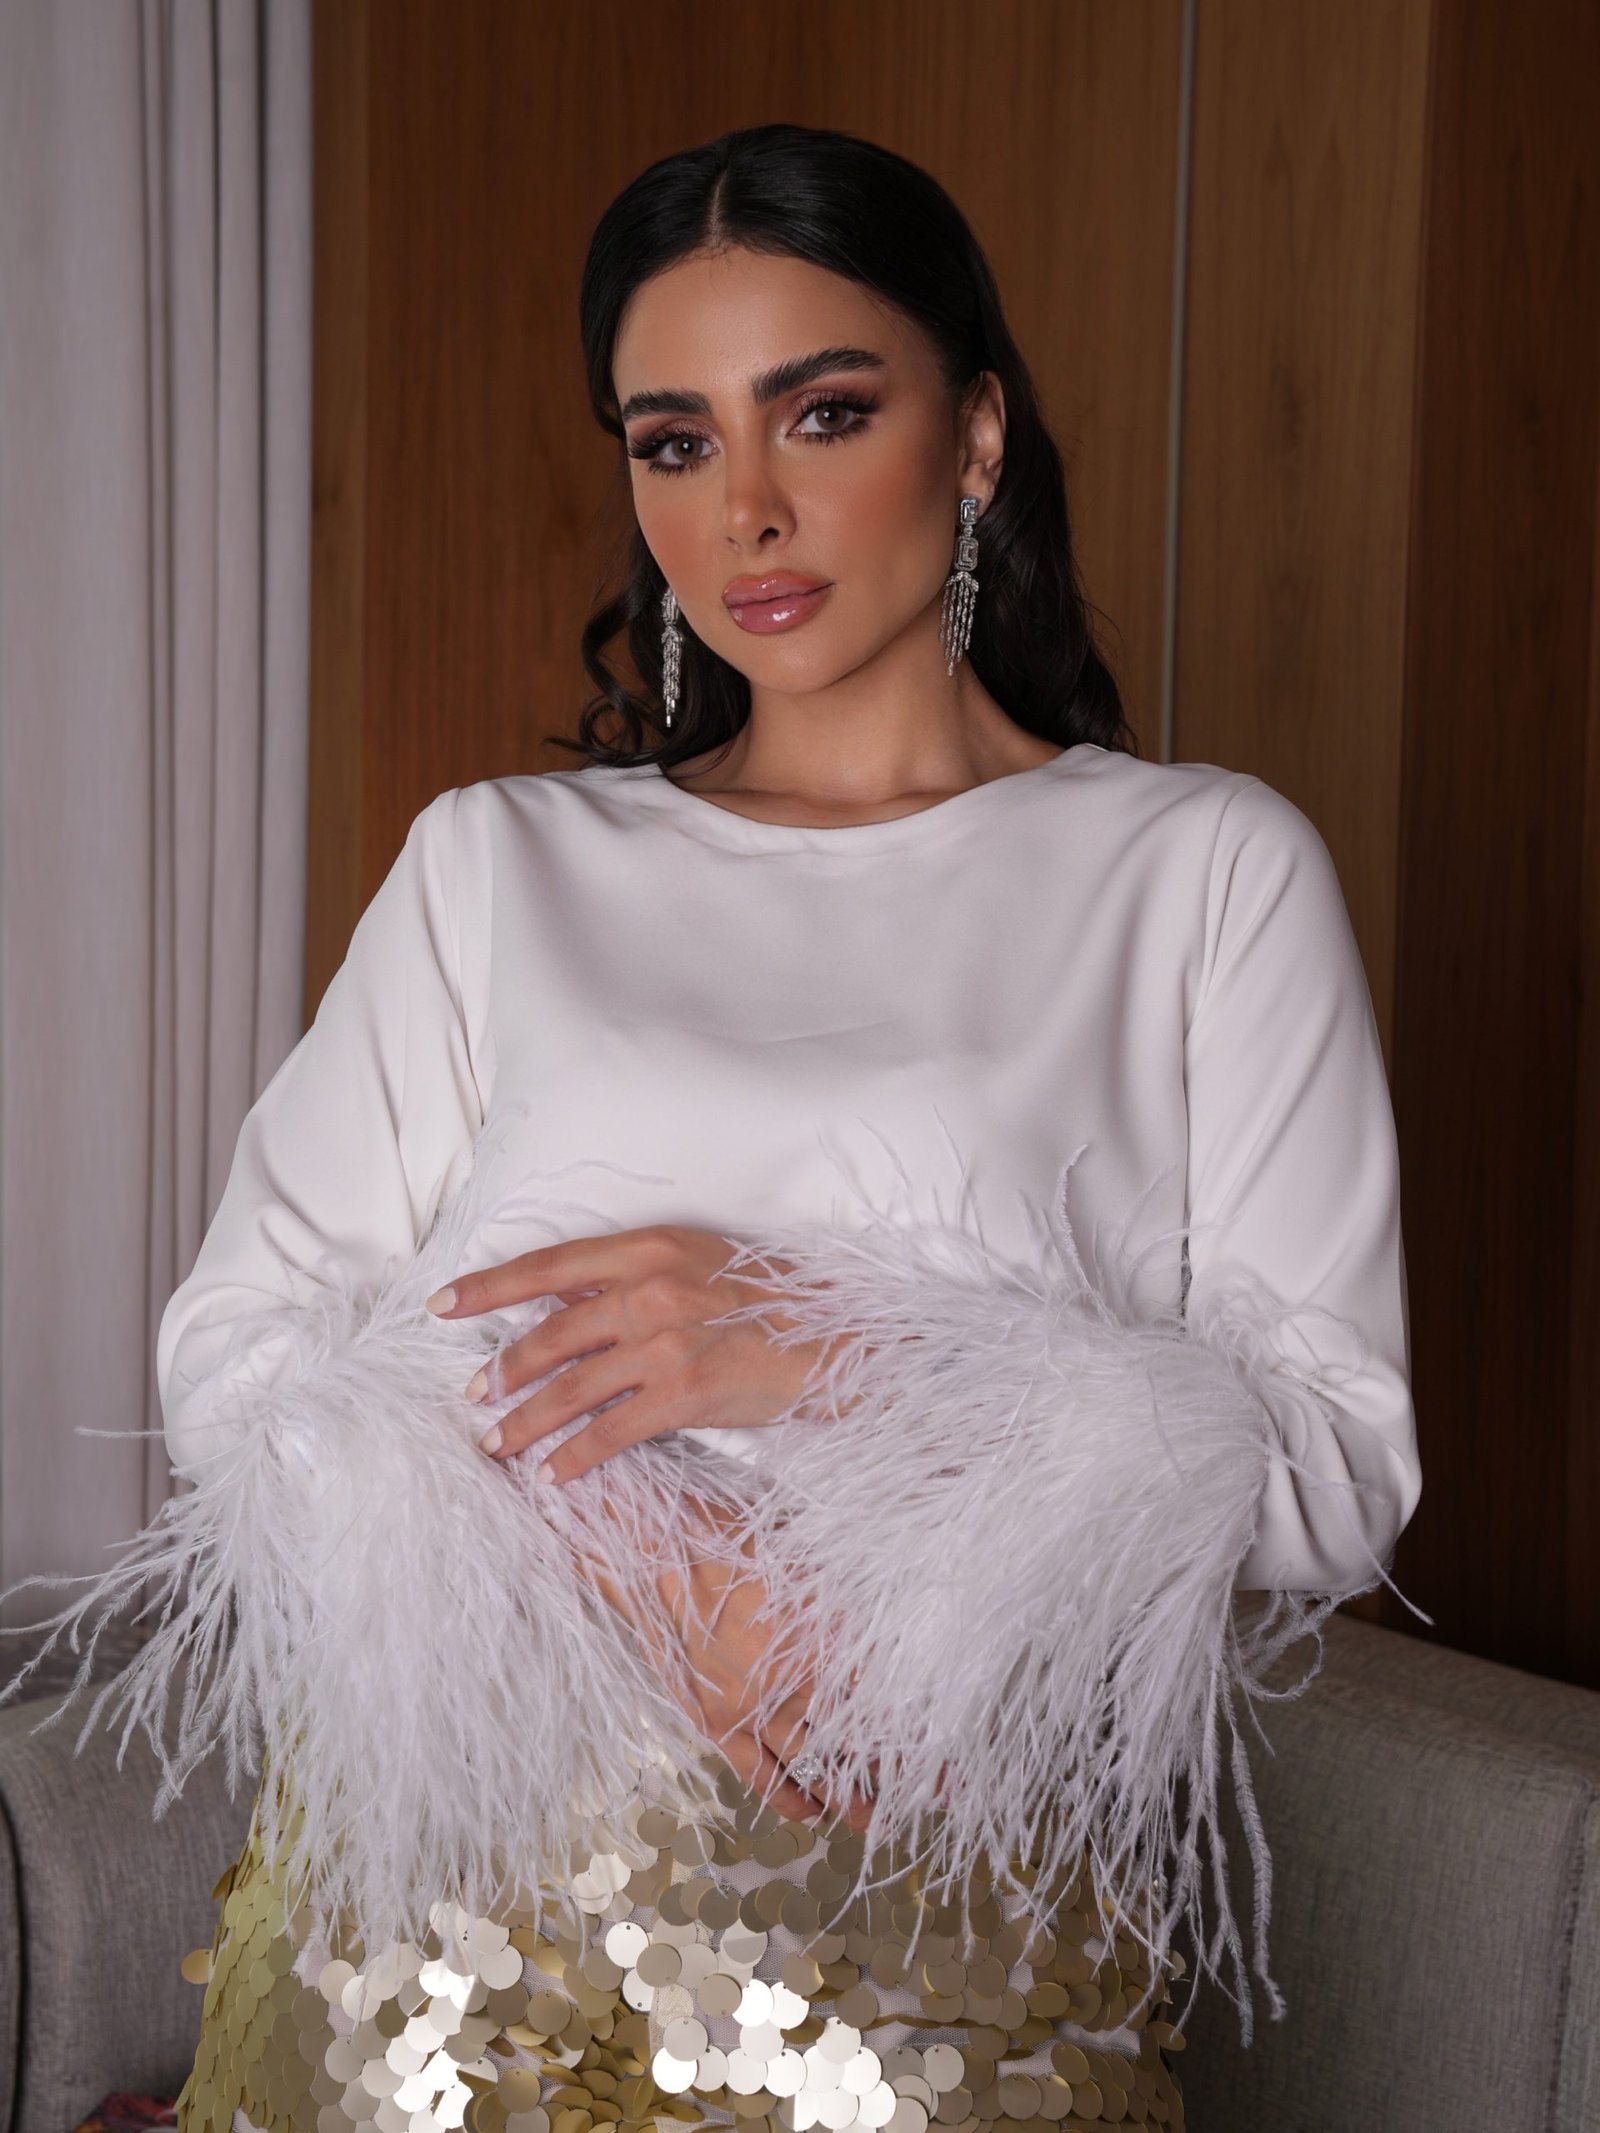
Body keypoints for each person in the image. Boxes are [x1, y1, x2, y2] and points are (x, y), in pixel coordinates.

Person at [0, 122, 1424, 2133]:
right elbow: (241, 1359)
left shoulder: (1199, 869)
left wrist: (840, 1357)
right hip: (451, 1947)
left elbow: (1338, 1465)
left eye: (821, 413)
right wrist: (657, 1567)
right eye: (672, 441)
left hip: (938, 1956)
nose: (744, 506)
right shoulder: (503, 864)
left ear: (976, 434)